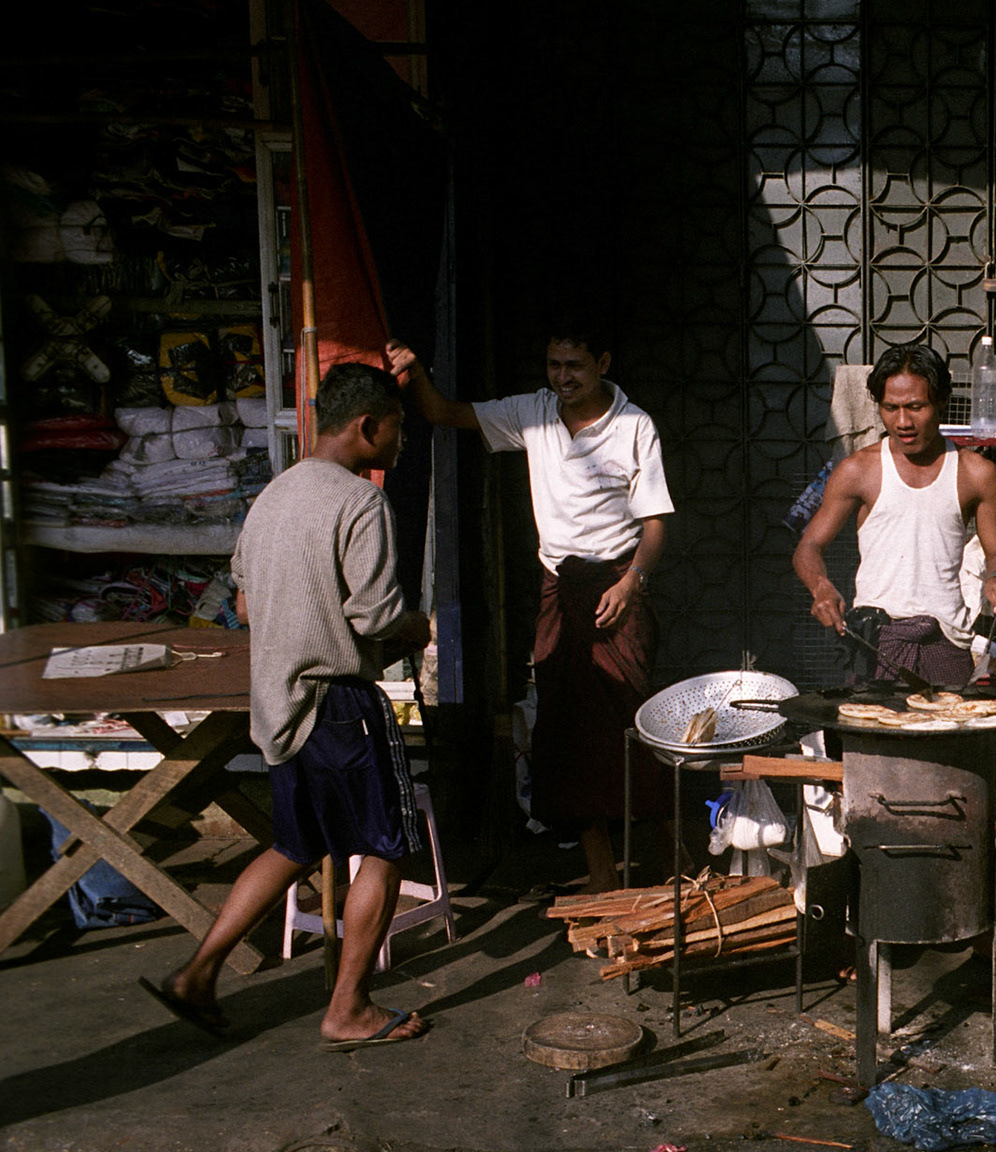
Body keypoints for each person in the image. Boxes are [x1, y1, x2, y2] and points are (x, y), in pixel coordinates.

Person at [139, 362, 432, 1050]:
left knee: (293, 843)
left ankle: (197, 974)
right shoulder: (362, 503)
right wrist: (416, 626)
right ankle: (349, 1006)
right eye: (398, 428)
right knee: (387, 848)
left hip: (280, 702)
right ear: (368, 426)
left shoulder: (273, 496)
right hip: (339, 703)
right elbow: (374, 614)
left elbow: (241, 598)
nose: (401, 443)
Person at [386, 323, 673, 893]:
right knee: (565, 733)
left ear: (604, 361)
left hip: (617, 588)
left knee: (634, 728)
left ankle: (673, 865)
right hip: (559, 591)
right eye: (554, 365)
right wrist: (415, 376)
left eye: (575, 366)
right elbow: (445, 414)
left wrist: (632, 583)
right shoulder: (534, 412)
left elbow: (657, 522)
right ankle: (599, 876)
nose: (563, 378)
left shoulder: (634, 425)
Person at [792, 343, 996, 683]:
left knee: (956, 728)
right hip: (876, 641)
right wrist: (821, 587)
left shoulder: (976, 473)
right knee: (869, 729)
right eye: (890, 408)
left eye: (915, 407)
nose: (903, 422)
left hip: (947, 641)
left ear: (941, 402)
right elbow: (807, 548)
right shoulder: (859, 470)